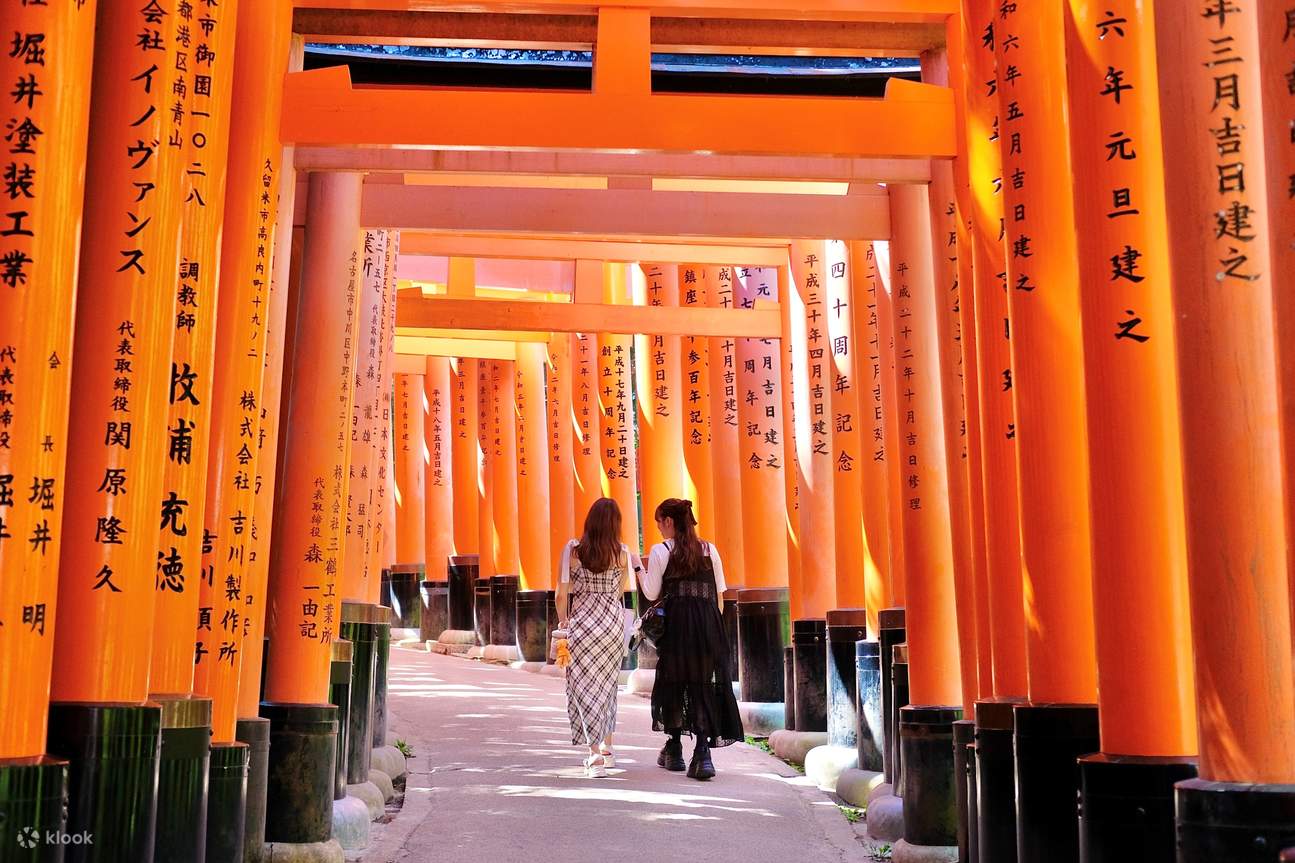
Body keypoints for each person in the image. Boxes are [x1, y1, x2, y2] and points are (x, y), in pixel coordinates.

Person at [642, 498, 744, 780]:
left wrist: (639, 570)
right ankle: (702, 753)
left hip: (677, 627)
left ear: (669, 522)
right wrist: (712, 628)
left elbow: (651, 593)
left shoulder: (661, 550)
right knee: (701, 685)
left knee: (673, 682)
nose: (659, 529)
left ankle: (674, 748)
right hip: (708, 627)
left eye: (659, 523)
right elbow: (719, 596)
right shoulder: (710, 550)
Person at [556, 497, 643, 778]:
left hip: (582, 624)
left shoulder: (574, 551)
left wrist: (563, 619)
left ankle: (593, 755)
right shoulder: (622, 553)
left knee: (583, 688)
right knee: (607, 687)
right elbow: (620, 591)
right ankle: (608, 748)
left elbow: (562, 592)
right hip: (611, 626)